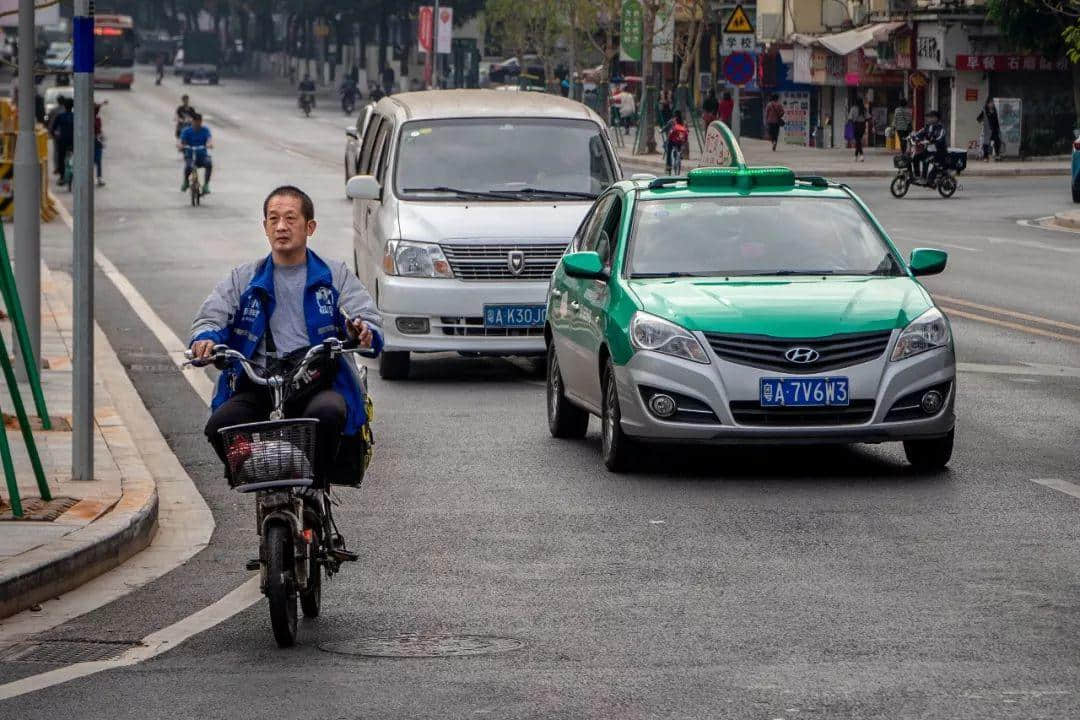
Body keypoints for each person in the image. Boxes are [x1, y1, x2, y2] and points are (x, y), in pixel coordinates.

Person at [190, 186, 383, 499]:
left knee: (330, 413)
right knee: (220, 426)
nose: (281, 226)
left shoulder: (334, 276)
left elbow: (366, 318)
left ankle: (316, 488)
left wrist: (362, 331)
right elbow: (211, 317)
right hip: (258, 383)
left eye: (290, 218)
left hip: (316, 381)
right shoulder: (243, 278)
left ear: (310, 227)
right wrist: (205, 339)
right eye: (274, 219)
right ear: (265, 227)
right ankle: (262, 480)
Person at [178, 113, 213, 194]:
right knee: (188, 167)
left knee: (209, 164)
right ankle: (186, 182)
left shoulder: (205, 130)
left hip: (202, 156)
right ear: (192, 121)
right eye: (196, 121)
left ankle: (206, 185)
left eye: (199, 121)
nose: (197, 123)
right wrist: (180, 145)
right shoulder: (187, 131)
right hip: (190, 155)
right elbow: (181, 141)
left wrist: (209, 144)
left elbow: (209, 139)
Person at [910, 109, 948, 181]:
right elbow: (919, 133)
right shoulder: (928, 127)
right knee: (915, 158)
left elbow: (940, 137)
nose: (928, 119)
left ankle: (924, 178)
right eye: (928, 117)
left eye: (931, 117)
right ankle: (917, 176)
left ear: (936, 118)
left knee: (925, 160)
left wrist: (930, 141)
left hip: (939, 153)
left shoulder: (941, 128)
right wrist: (913, 137)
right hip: (929, 151)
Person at [50, 97, 74, 181]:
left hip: (62, 141)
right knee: (75, 156)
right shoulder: (75, 116)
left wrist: (55, 136)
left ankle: (62, 176)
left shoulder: (60, 116)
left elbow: (53, 129)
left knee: (61, 157)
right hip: (73, 141)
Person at [848, 97, 868, 162]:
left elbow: (850, 118)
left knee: (858, 141)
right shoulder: (864, 109)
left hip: (856, 125)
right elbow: (868, 118)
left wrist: (851, 124)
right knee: (858, 141)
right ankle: (856, 156)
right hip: (862, 126)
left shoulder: (853, 108)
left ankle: (861, 155)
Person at [93, 101, 105, 187]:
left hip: (96, 142)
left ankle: (99, 178)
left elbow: (99, 132)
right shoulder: (96, 120)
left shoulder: (97, 119)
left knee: (97, 161)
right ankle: (99, 178)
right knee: (98, 161)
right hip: (95, 142)